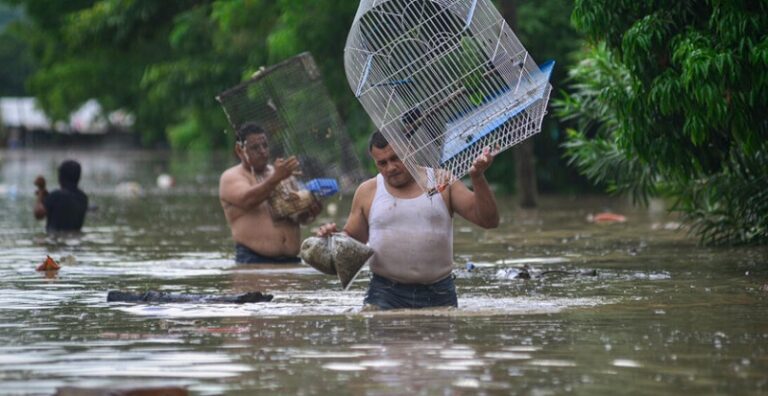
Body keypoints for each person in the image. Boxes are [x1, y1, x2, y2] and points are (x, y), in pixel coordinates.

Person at [317, 130, 499, 310]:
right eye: (382, 163)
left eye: (396, 158)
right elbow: (353, 241)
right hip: (385, 292)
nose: (390, 168)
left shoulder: (441, 181)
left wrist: (477, 177)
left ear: (411, 152)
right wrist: (332, 239)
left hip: (438, 292)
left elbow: (489, 221)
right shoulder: (368, 191)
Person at [219, 122, 321, 264]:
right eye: (255, 147)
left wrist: (310, 212)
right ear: (239, 150)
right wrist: (276, 179)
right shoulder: (232, 177)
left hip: (292, 261)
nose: (263, 151)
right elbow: (248, 200)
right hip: (253, 262)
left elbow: (298, 217)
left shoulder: (281, 173)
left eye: (265, 145)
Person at [34, 160, 89, 232]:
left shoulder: (56, 195)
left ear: (60, 177)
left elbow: (38, 214)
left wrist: (41, 190)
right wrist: (47, 197)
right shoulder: (83, 197)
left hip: (55, 238)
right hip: (75, 238)